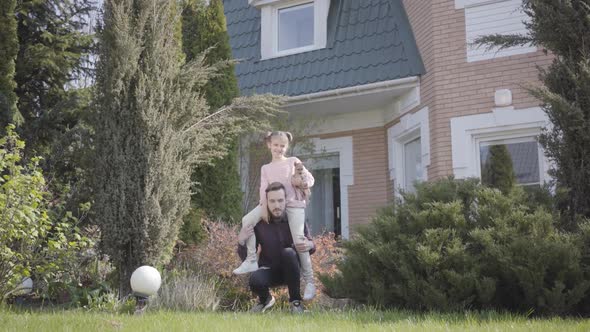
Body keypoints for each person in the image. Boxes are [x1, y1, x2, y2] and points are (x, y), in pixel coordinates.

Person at [232, 131, 317, 301]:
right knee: (246, 220)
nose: (279, 149)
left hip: (293, 205)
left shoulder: (293, 161)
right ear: (269, 145)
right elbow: (264, 189)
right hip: (272, 203)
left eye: (282, 146)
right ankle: (250, 259)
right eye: (276, 145)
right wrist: (263, 208)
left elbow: (308, 178)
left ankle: (309, 281)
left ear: (287, 147)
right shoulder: (266, 168)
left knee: (300, 241)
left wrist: (303, 182)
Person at [237, 182, 315, 313]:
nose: (277, 205)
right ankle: (265, 300)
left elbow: (311, 246)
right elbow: (247, 258)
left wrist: (310, 244)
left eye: (280, 200)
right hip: (270, 270)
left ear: (286, 200)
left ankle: (296, 303)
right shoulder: (259, 223)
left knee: (289, 253)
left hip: (292, 270)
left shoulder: (295, 219)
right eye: (272, 201)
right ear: (266, 202)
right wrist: (241, 241)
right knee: (255, 279)